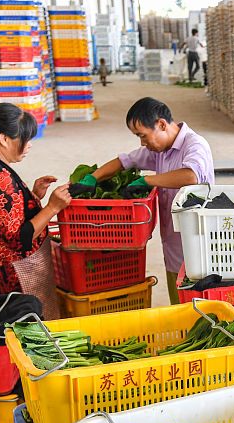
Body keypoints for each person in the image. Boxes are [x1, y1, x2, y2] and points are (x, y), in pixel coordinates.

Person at [80, 97, 214, 304]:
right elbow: (125, 161)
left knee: (198, 304)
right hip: (173, 244)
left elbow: (191, 176)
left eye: (143, 136)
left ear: (161, 124)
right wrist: (93, 178)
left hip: (198, 243)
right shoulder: (161, 151)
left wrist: (147, 180)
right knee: (178, 303)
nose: (142, 143)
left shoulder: (195, 145)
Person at [0, 100, 71, 318]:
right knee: (33, 331)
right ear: (4, 139)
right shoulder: (0, 177)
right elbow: (18, 237)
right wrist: (52, 207)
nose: (29, 144)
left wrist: (31, 196)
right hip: (18, 275)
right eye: (25, 138)